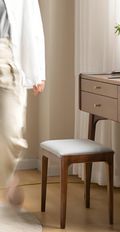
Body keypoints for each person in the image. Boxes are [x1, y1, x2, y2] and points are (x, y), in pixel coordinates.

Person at [0, 0, 45, 206]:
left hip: (7, 57)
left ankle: (7, 177)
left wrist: (38, 73)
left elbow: (32, 23)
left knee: (12, 131)